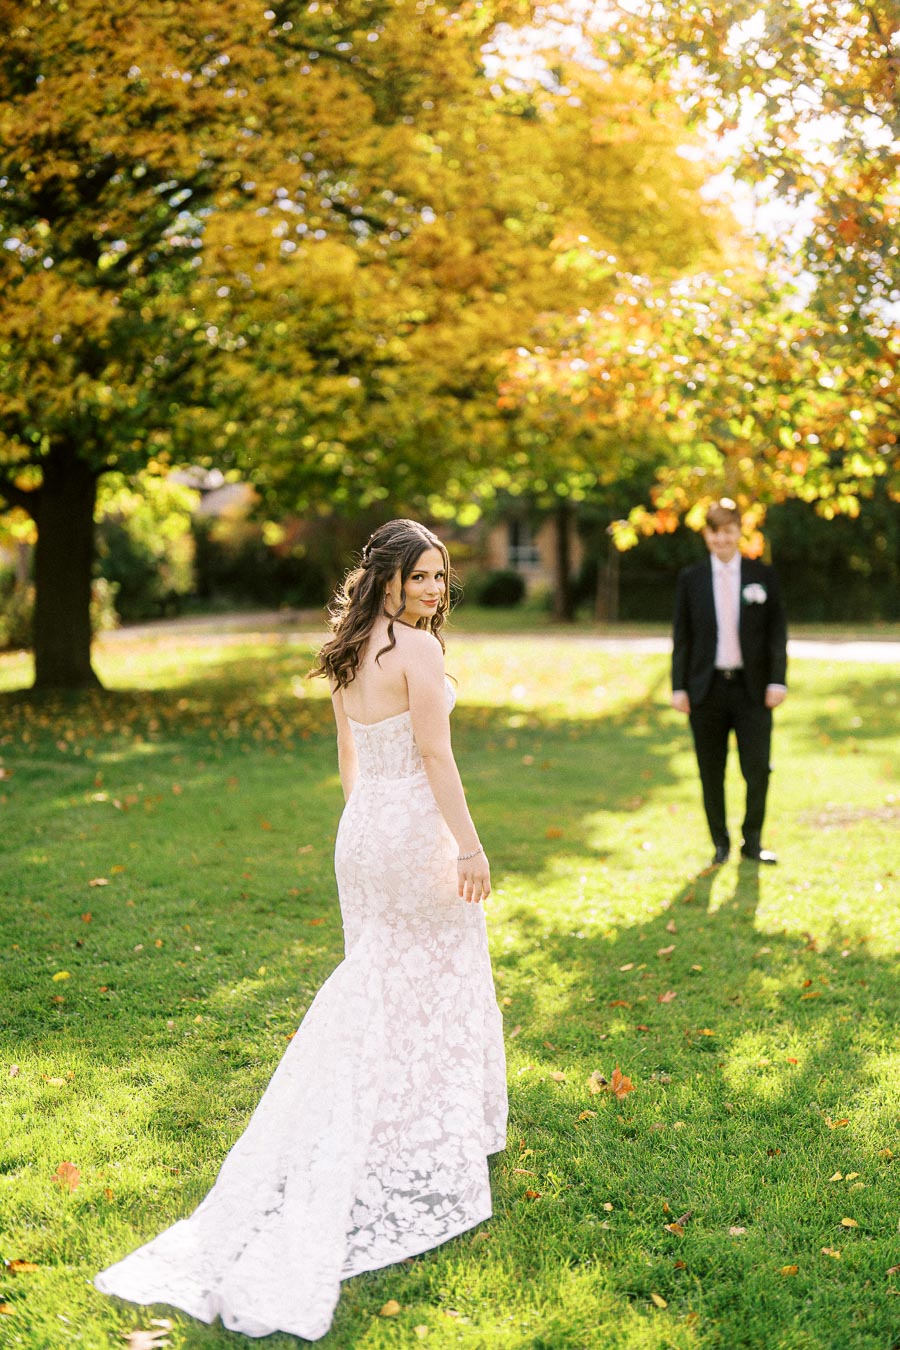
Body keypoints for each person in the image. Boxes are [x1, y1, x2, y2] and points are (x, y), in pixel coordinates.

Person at [94, 519, 508, 1341]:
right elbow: (436, 757)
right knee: (432, 970)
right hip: (413, 830)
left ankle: (398, 1113)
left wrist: (365, 824)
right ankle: (430, 1124)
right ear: (388, 578)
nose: (435, 590)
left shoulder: (351, 647)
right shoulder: (417, 653)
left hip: (362, 835)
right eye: (421, 576)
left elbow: (351, 759)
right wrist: (469, 843)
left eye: (440, 577)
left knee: (383, 974)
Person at [671, 498, 788, 866]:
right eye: (715, 532)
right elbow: (682, 637)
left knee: (757, 769)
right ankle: (719, 844)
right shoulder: (691, 579)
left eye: (729, 531)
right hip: (706, 690)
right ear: (706, 535)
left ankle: (751, 841)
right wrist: (679, 687)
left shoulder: (762, 575)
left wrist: (777, 681)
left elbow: (776, 634)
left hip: (752, 689)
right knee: (711, 771)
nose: (722, 539)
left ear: (739, 532)